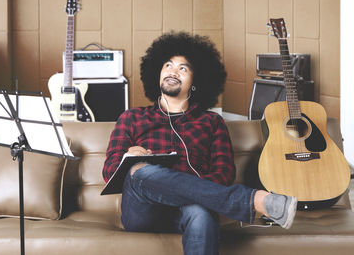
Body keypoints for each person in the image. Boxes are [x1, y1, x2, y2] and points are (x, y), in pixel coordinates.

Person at [102, 32, 297, 255]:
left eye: (183, 68)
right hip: (143, 212)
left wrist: (188, 190)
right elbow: (109, 173)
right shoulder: (132, 118)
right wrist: (130, 157)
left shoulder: (212, 122)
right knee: (138, 170)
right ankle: (253, 201)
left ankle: (242, 201)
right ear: (157, 72)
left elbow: (224, 175)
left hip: (191, 209)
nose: (173, 71)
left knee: (201, 212)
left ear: (196, 82)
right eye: (168, 65)